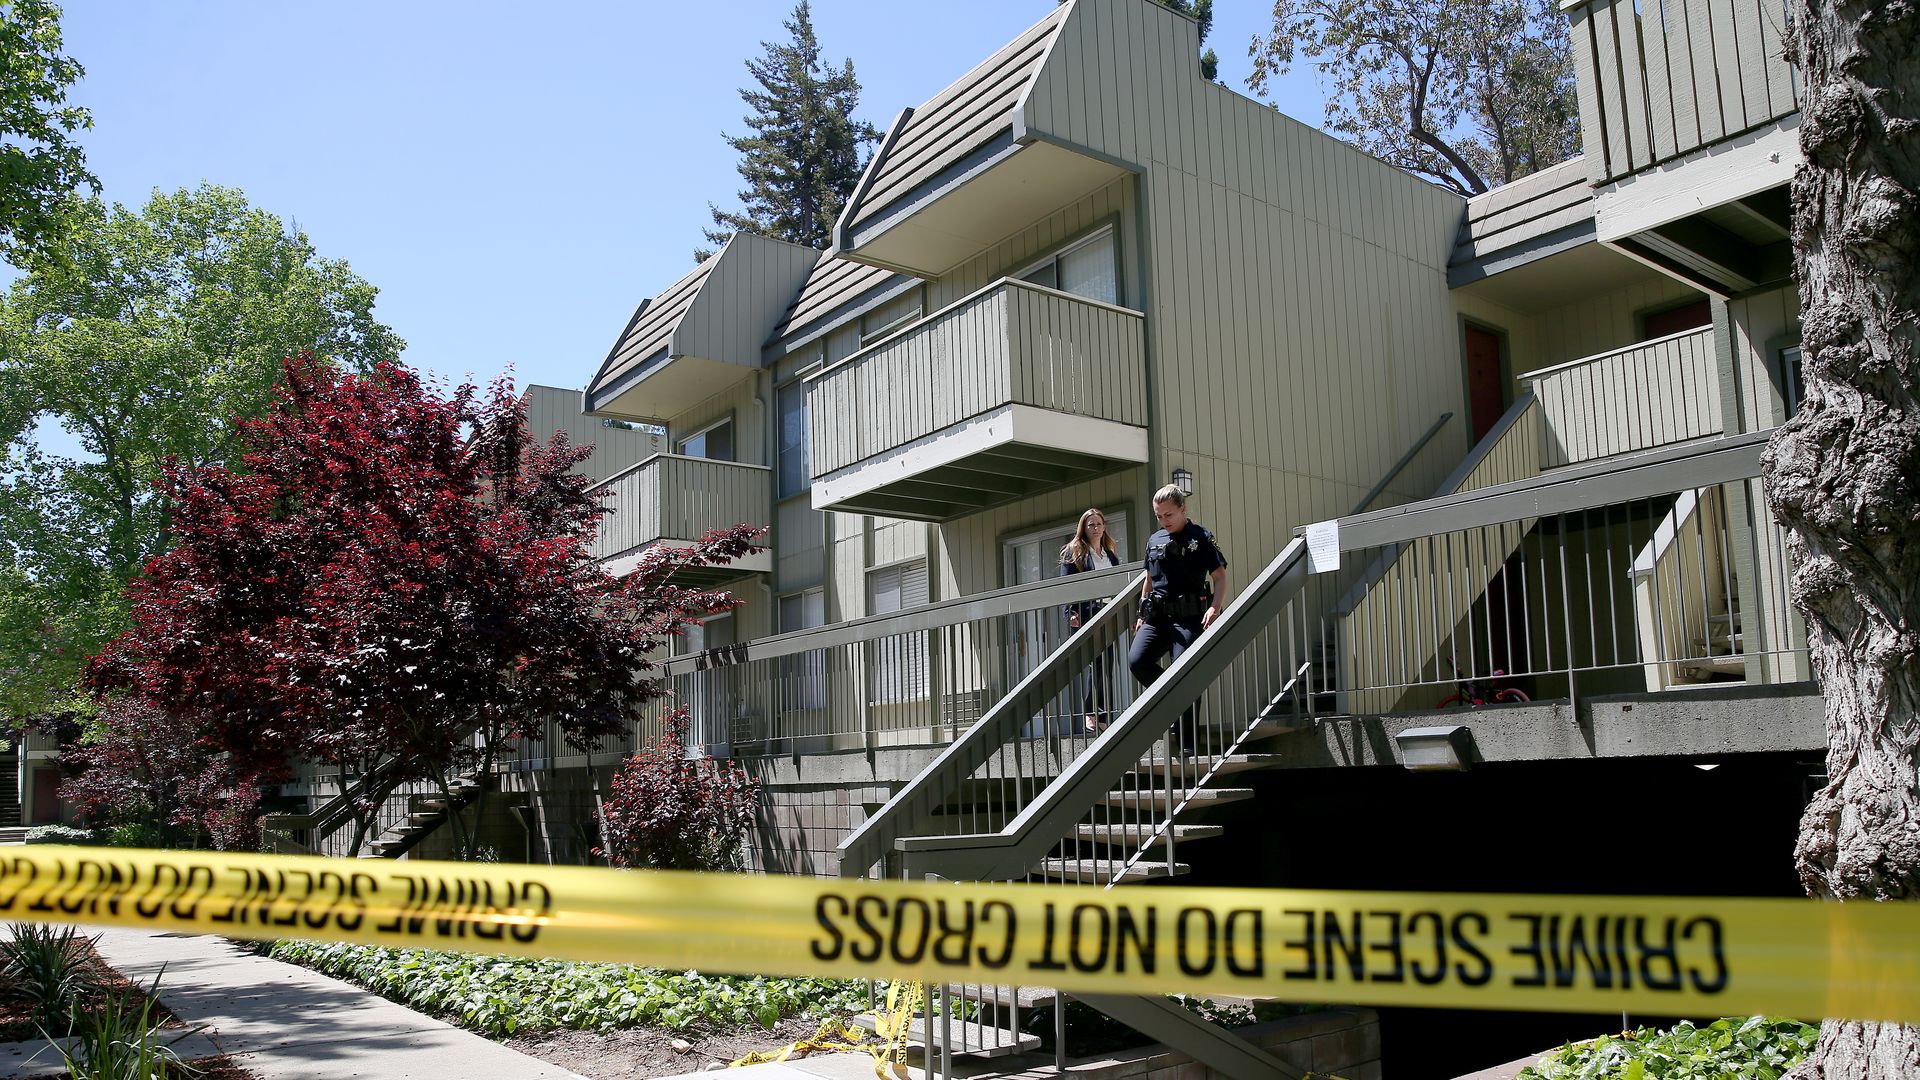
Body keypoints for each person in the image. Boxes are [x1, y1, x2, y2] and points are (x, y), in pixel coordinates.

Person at [1128, 484, 1228, 753]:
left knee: (1184, 673)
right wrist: (1141, 614)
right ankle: (1171, 704)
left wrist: (1214, 608)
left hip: (1188, 618)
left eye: (1168, 515)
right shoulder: (1154, 540)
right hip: (1157, 617)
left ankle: (1187, 744)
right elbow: (1148, 580)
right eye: (1159, 516)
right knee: (1138, 661)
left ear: (1183, 509)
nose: (1164, 520)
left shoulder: (1200, 537)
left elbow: (1219, 577)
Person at [1059, 508, 1124, 733]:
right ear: (1083, 528)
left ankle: (1103, 716)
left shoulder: (1110, 555)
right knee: (1094, 664)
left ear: (1104, 527)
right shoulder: (1075, 552)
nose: (1095, 528)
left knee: (1107, 665)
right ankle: (1091, 714)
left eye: (1098, 524)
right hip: (1087, 613)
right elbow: (1065, 585)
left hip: (1108, 612)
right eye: (1090, 525)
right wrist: (1069, 612)